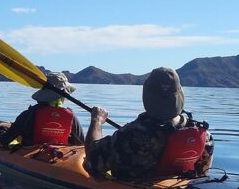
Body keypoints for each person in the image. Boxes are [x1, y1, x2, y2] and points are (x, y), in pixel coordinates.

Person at [85, 67, 213, 181]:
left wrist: (97, 121)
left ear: (147, 96)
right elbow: (203, 170)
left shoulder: (129, 135)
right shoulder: (204, 134)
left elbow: (93, 159)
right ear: (179, 96)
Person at [0, 71, 86, 147]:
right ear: (62, 97)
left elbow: (4, 141)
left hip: (31, 156)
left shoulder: (28, 114)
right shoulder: (71, 117)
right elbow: (81, 144)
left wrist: (1, 131)